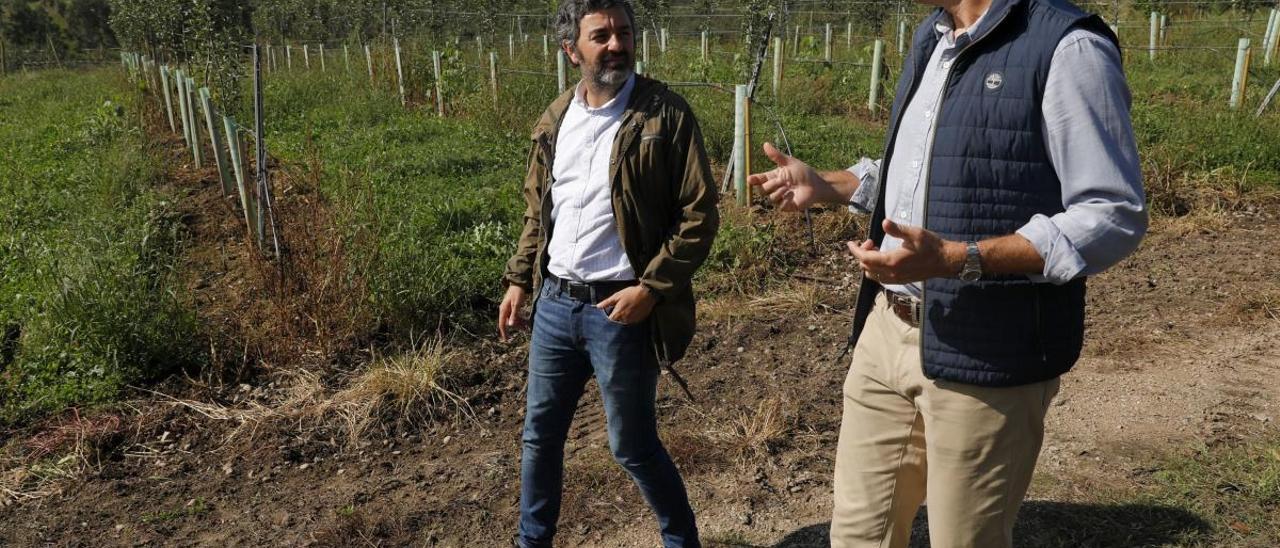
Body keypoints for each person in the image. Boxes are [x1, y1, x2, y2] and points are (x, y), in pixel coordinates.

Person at [748, 0, 1147, 546]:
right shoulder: (931, 38)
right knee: (857, 537)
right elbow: (917, 172)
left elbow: (1112, 214)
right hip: (888, 330)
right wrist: (831, 184)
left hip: (989, 351)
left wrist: (963, 260)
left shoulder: (1068, 45)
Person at [497, 0, 719, 546]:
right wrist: (520, 278)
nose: (616, 44)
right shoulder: (555, 119)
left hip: (619, 309)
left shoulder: (664, 115)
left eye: (623, 32)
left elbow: (700, 215)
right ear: (571, 49)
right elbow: (539, 209)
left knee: (632, 446)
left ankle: (681, 542)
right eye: (601, 35)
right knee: (539, 439)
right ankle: (533, 542)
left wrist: (652, 288)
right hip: (554, 304)